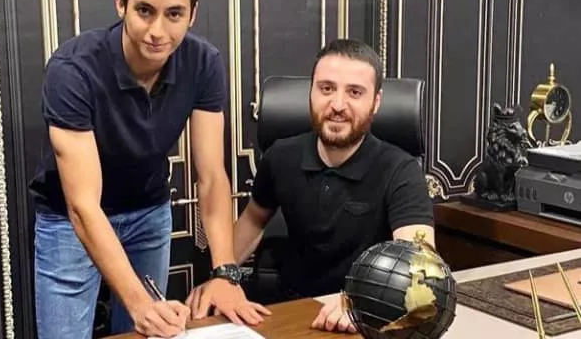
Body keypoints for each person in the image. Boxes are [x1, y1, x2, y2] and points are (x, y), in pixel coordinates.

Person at [29, 0, 269, 338]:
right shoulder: (72, 70)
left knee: (148, 333)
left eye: (174, 14)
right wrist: (139, 303)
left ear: (192, 14)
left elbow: (211, 176)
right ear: (121, 4)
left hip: (147, 211)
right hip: (70, 222)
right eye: (145, 11)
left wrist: (225, 273)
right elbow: (83, 205)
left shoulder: (203, 62)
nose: (158, 31)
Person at [186, 38, 435, 333]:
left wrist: (361, 303)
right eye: (326, 89)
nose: (337, 105)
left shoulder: (401, 170)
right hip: (290, 310)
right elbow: (253, 220)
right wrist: (220, 278)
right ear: (312, 91)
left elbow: (417, 263)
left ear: (376, 102)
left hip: (361, 316)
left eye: (355, 92)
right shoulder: (281, 156)